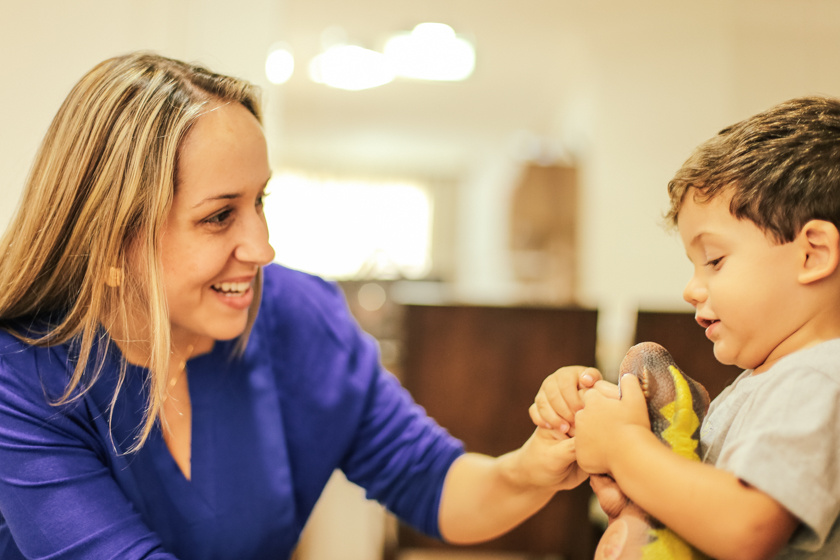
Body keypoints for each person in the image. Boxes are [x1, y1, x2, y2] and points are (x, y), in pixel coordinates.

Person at [0, 52, 594, 560]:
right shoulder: (23, 378)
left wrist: (530, 467)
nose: (262, 247)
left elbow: (433, 484)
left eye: (260, 201)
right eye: (217, 216)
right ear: (110, 242)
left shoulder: (299, 316)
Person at [534, 96, 840, 560]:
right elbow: (709, 510)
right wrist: (643, 494)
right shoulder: (772, 381)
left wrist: (623, 448)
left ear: (813, 254)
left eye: (714, 260)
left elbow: (745, 527)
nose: (692, 289)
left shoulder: (817, 378)